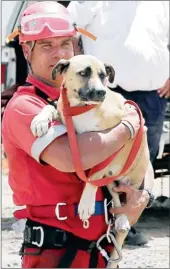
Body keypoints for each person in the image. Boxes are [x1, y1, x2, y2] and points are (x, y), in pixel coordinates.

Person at [2, 2, 153, 268]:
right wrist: (129, 125)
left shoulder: (90, 102)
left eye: (65, 43)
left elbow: (141, 154)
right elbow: (75, 157)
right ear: (26, 50)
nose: (58, 53)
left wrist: (143, 196)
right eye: (46, 45)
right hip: (54, 253)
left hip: (100, 250)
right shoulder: (25, 107)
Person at [68, 0, 169, 246]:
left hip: (153, 93)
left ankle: (125, 223)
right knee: (100, 156)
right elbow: (70, 28)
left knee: (141, 160)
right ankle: (92, 224)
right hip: (107, 93)